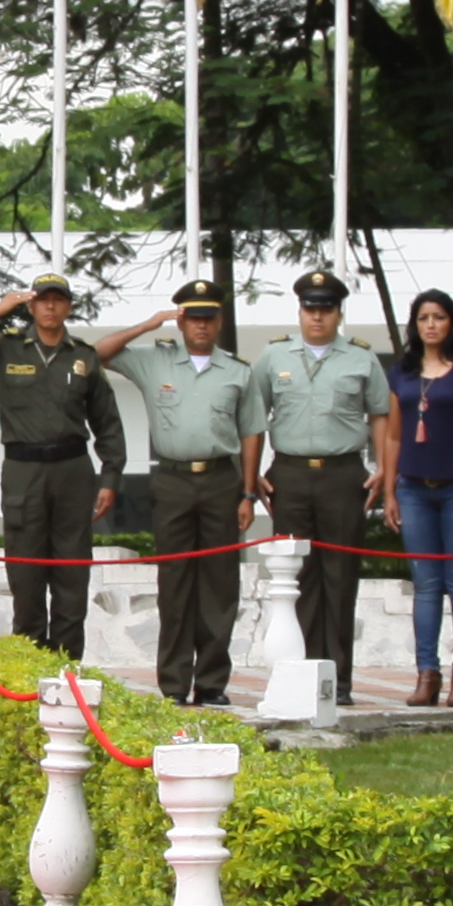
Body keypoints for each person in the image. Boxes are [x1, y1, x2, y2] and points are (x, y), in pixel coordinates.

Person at [99, 282, 268, 705]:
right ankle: (174, 684)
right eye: (192, 318)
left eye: (208, 318)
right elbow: (97, 353)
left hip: (220, 482)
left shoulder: (238, 371)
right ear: (181, 321)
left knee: (219, 584)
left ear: (219, 323)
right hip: (172, 480)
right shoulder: (155, 362)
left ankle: (211, 684)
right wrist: (149, 323)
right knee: (174, 583)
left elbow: (251, 433)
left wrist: (248, 494)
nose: (201, 326)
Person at [0, 278, 121, 660]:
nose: (51, 308)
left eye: (59, 301)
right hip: (24, 470)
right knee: (25, 575)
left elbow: (108, 423)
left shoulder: (84, 356)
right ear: (31, 307)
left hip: (73, 470)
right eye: (43, 301)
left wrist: (110, 478)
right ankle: (29, 666)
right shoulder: (3, 349)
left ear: (69, 307)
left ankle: (68, 668)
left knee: (72, 575)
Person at [257, 270, 395, 708]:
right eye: (310, 309)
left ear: (338, 314)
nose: (317, 317)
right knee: (295, 577)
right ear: (299, 312)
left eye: (326, 309)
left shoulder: (360, 359)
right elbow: (251, 417)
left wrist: (383, 469)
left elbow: (380, 415)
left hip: (342, 474)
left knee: (340, 576)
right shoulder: (274, 355)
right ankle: (297, 672)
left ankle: (338, 679)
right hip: (291, 475)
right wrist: (254, 472)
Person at [384, 290, 453, 706]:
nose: (431, 325)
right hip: (414, 488)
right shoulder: (402, 373)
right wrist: (390, 491)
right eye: (423, 318)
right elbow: (393, 435)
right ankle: (426, 673)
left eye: (439, 317)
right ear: (414, 325)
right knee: (426, 586)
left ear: (451, 323)